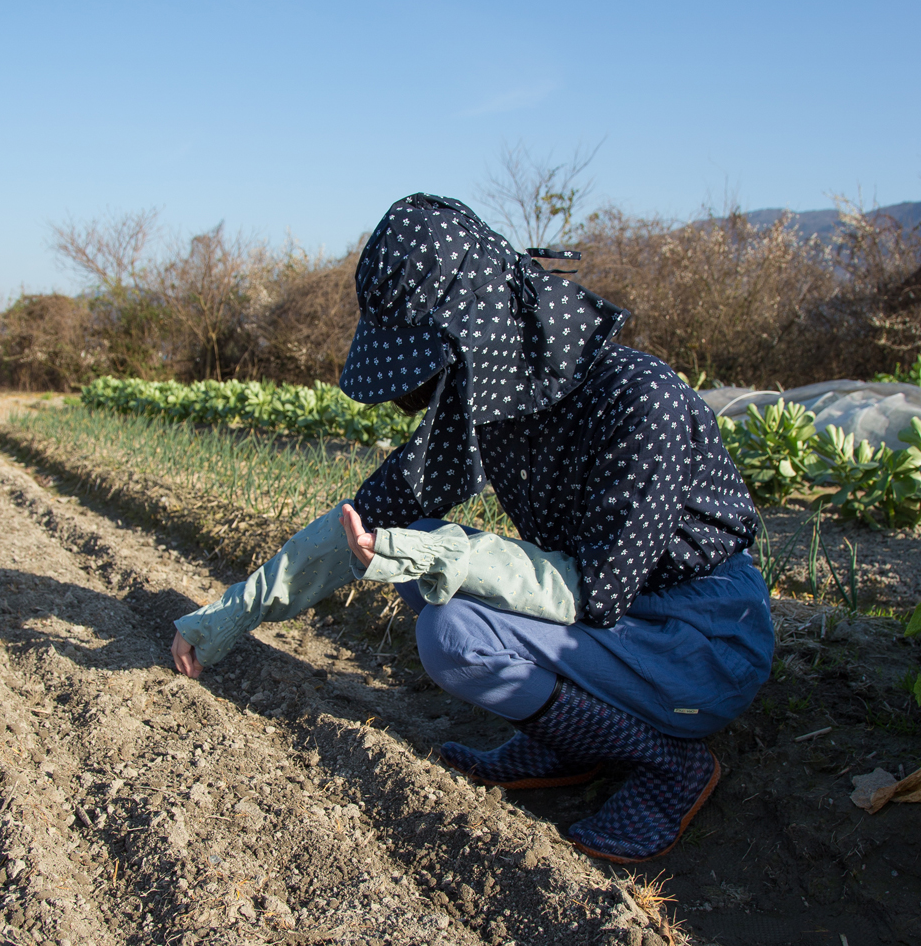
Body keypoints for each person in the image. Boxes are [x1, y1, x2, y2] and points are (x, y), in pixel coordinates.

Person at [171, 193, 773, 864]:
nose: (415, 390)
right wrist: (227, 617)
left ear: (476, 332)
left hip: (697, 638)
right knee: (415, 547)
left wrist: (438, 554)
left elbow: (596, 594)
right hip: (613, 628)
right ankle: (567, 743)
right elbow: (360, 523)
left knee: (450, 626)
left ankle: (669, 767)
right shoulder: (489, 410)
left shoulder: (638, 401)